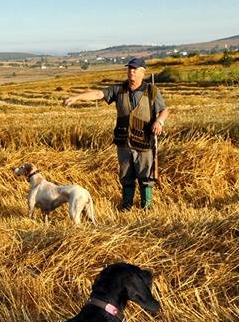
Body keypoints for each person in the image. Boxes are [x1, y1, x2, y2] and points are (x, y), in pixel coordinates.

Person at [63, 57, 169, 210]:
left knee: (146, 176)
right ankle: (126, 207)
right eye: (129, 69)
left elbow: (164, 110)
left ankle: (147, 208)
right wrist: (77, 97)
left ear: (142, 72)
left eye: (134, 69)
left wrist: (159, 121)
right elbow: (98, 94)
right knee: (126, 176)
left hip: (145, 142)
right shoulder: (118, 89)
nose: (131, 72)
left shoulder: (151, 91)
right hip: (124, 142)